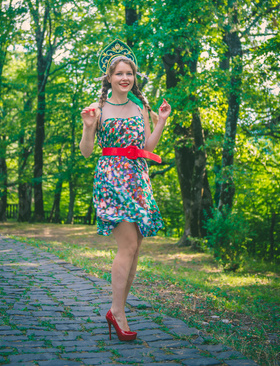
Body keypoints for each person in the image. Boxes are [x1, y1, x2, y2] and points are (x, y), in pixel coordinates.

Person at [79, 39, 171, 341]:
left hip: (138, 178)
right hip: (111, 178)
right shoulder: (99, 108)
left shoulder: (140, 106)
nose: (124, 78)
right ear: (109, 77)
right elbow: (86, 152)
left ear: (134, 77)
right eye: (119, 73)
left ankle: (118, 308)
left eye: (129, 73)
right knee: (127, 246)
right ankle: (117, 311)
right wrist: (87, 127)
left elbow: (147, 147)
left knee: (136, 250)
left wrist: (162, 122)